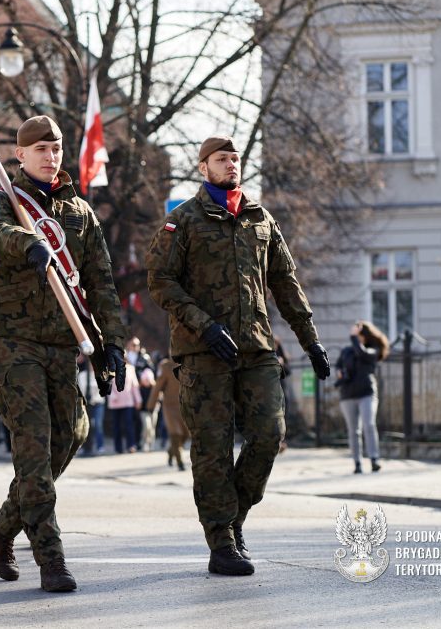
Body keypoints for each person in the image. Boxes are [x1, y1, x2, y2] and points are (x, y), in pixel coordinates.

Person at [146, 135, 330, 577]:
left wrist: (311, 340)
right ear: (203, 167)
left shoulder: (260, 218)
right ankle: (221, 541)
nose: (231, 165)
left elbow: (285, 283)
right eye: (221, 159)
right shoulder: (183, 221)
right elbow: (161, 281)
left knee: (269, 434)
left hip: (256, 348)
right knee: (212, 449)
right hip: (202, 351)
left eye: (235, 159)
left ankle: (234, 519)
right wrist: (204, 325)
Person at [0, 115, 128, 593]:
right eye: (39, 149)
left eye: (56, 148)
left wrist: (112, 346)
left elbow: (101, 282)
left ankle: (1, 527)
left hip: (62, 344)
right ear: (21, 155)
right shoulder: (4, 200)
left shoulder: (80, 213)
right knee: (34, 450)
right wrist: (29, 244)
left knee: (73, 433)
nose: (50, 155)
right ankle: (51, 558)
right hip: (13, 341)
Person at [334, 321, 389, 474]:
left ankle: (374, 459)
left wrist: (353, 338)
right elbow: (338, 365)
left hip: (367, 393)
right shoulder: (346, 351)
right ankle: (357, 463)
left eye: (358, 335)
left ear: (364, 336)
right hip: (348, 394)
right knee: (353, 431)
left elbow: (362, 353)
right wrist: (339, 371)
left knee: (369, 425)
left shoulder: (373, 350)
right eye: (355, 335)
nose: (356, 338)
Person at [147, 355, 189, 470]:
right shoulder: (166, 367)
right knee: (175, 433)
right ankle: (180, 463)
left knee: (185, 435)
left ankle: (171, 452)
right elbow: (157, 386)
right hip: (170, 406)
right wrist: (151, 405)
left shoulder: (189, 364)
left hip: (184, 406)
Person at [107, 360, 139, 454]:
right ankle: (118, 448)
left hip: (128, 401)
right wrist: (111, 395)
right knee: (116, 426)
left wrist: (138, 400)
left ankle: (131, 445)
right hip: (115, 402)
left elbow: (134, 386)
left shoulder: (130, 368)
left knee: (129, 424)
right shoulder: (110, 368)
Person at [77, 354, 106, 455]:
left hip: (98, 403)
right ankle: (85, 447)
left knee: (97, 424)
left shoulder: (100, 376)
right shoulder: (82, 376)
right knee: (85, 425)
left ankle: (100, 445)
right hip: (86, 403)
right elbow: (80, 390)